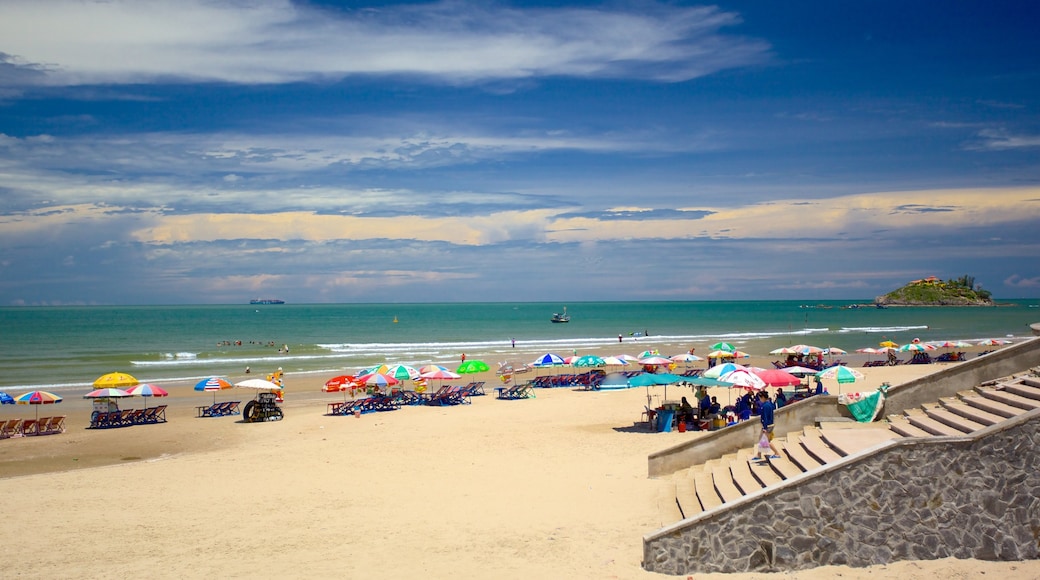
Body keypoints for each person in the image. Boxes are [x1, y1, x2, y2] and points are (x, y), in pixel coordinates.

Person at [754, 390, 782, 461]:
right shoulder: (769, 404)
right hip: (769, 425)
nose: (760, 400)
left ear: (763, 397)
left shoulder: (766, 406)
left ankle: (777, 453)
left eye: (760, 398)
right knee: (762, 439)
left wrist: (765, 427)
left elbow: (766, 417)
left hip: (767, 426)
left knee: (766, 441)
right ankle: (759, 454)